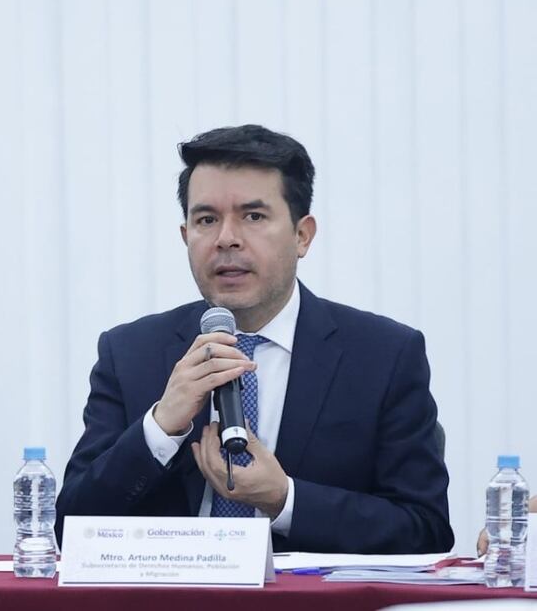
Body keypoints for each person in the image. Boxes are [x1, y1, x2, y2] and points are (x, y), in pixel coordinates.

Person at [55, 125, 454, 553]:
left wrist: (285, 499)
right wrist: (159, 427)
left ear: (303, 236)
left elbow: (425, 530)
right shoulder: (130, 353)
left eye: (253, 216)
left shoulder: (383, 356)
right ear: (186, 236)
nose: (226, 238)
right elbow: (71, 529)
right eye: (206, 219)